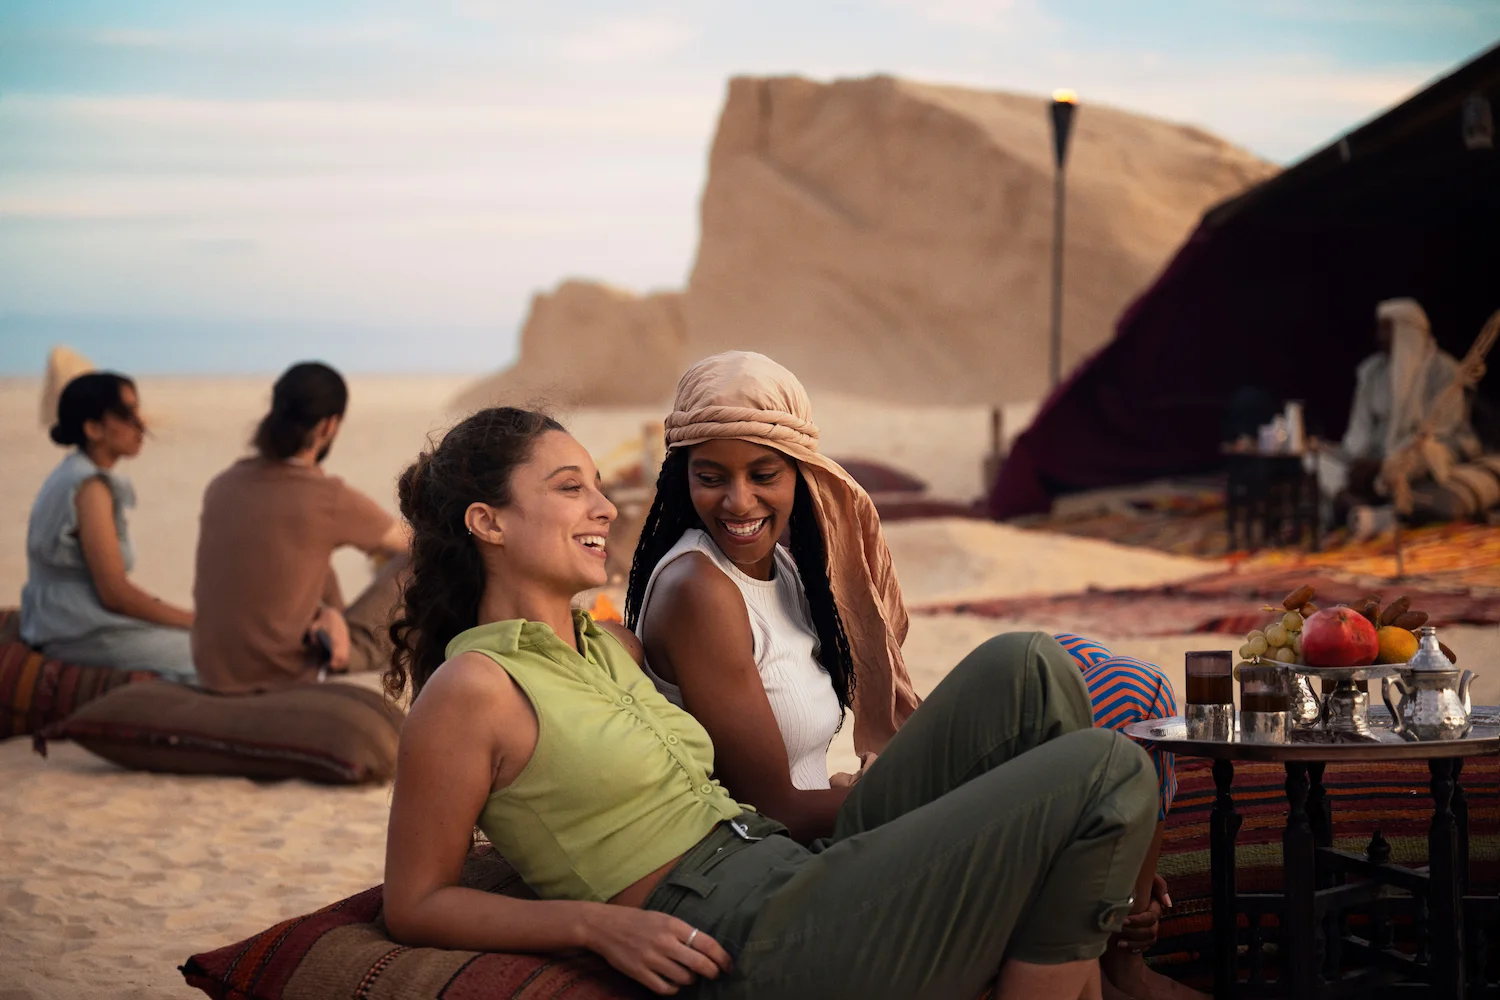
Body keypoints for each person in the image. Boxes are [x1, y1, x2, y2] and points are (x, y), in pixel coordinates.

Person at [381, 406, 1158, 1000]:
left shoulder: (609, 647)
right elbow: (415, 902)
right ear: (486, 522)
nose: (603, 508)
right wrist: (596, 924)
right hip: (749, 935)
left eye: (594, 484)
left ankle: (1078, 938)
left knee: (1025, 664)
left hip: (790, 865)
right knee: (1109, 770)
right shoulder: (473, 691)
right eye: (568, 489)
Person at [626, 351, 1198, 1000]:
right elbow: (775, 807)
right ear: (681, 479)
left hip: (830, 816)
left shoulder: (779, 566)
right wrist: (989, 797)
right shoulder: (697, 588)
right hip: (790, 859)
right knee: (1101, 768)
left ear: (801, 475)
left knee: (1033, 664)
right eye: (710, 477)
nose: (738, 501)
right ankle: (1094, 946)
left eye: (764, 475)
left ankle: (1097, 912)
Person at [191, 362, 408, 694]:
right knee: (421, 563)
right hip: (288, 671)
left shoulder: (222, 484)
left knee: (307, 547)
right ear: (329, 426)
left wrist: (331, 613)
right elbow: (415, 544)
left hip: (212, 670)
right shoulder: (326, 498)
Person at [21, 373, 196, 680]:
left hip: (73, 622)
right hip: (79, 630)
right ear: (93, 429)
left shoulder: (75, 473)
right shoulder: (89, 487)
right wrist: (196, 620)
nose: (141, 423)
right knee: (216, 660)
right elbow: (114, 594)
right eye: (127, 413)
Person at [1319, 298, 1480, 525]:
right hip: (1374, 454)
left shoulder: (1444, 371)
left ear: (1406, 332)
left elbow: (1443, 430)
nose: (1379, 338)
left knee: (1419, 457)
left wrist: (1390, 461)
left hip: (1420, 449)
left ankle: (1381, 504)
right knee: (1313, 459)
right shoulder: (1371, 372)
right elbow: (1359, 430)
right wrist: (1359, 459)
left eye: (1385, 330)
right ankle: (1348, 502)